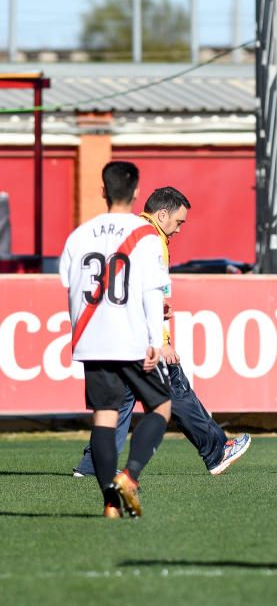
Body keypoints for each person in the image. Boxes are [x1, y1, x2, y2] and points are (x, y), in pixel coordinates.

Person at [72, 187, 251, 479]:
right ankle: (217, 451)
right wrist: (163, 341)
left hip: (116, 331)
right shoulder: (154, 238)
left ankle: (93, 465)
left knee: (121, 401)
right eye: (178, 222)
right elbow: (151, 291)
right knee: (175, 390)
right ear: (163, 214)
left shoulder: (125, 230)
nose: (178, 230)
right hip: (142, 337)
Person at [59, 161, 172, 518]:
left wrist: (80, 332)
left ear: (103, 191)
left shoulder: (79, 235)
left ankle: (110, 503)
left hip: (93, 340)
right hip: (132, 337)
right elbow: (153, 292)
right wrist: (157, 338)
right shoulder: (146, 235)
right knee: (161, 408)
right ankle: (130, 476)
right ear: (137, 191)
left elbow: (69, 285)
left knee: (104, 420)